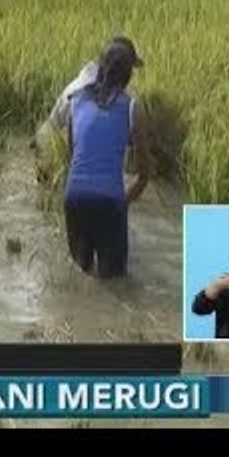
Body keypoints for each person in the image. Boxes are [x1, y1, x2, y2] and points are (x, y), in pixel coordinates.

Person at [62, 39, 152, 278]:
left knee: (82, 276)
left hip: (74, 198)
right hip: (109, 201)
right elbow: (144, 175)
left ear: (100, 67)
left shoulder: (75, 100)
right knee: (115, 284)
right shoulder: (133, 107)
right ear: (128, 75)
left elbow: (73, 157)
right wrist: (123, 202)